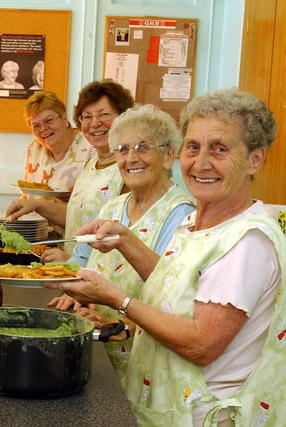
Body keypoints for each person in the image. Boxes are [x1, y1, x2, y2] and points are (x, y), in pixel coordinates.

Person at [46, 88, 286, 426]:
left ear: (255, 159)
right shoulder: (197, 222)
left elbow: (202, 344)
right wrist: (125, 238)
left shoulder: (246, 242)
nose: (201, 163)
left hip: (203, 416)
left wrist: (115, 298)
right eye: (194, 147)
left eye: (219, 149)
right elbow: (170, 284)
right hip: (164, 405)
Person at [47, 104, 196, 384]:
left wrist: (118, 322)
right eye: (123, 149)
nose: (131, 158)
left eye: (143, 147)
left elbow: (175, 297)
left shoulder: (182, 215)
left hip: (146, 361)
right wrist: (77, 298)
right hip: (100, 353)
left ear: (167, 156)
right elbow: (80, 263)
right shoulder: (112, 208)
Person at [7, 79, 135, 255]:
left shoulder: (131, 168)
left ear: (123, 117)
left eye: (104, 114)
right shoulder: (93, 163)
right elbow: (75, 218)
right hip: (75, 270)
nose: (95, 123)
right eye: (87, 117)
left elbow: (126, 238)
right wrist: (36, 205)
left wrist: (72, 260)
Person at [22, 90, 92, 191]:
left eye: (48, 121)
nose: (43, 129)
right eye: (36, 126)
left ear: (64, 119)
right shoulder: (33, 149)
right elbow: (27, 194)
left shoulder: (90, 148)